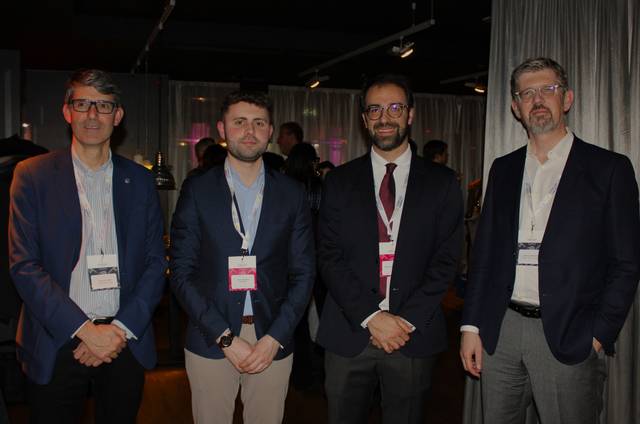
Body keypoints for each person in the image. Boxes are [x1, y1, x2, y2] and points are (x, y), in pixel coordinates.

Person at [460, 57, 640, 423]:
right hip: (501, 330)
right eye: (527, 93)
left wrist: (598, 335)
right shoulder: (503, 168)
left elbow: (627, 262)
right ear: (516, 107)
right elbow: (485, 256)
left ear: (567, 98)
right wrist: (471, 326)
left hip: (570, 333)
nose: (537, 99)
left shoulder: (609, 169)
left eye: (548, 90)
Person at [8, 69, 167, 423]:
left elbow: (156, 263)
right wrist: (85, 331)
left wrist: (117, 331)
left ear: (118, 115)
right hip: (57, 337)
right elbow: (24, 265)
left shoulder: (140, 180)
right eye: (83, 104)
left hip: (123, 339)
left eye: (104, 105)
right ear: (67, 112)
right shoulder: (32, 175)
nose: (93, 115)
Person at [317, 74, 463, 424]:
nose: (385, 117)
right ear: (365, 119)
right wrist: (373, 317)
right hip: (349, 331)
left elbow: (446, 261)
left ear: (410, 115)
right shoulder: (338, 181)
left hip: (412, 334)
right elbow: (329, 255)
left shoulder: (443, 183)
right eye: (375, 109)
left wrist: (404, 320)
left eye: (395, 107)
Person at [170, 90, 315, 423]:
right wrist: (224, 336)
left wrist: (275, 337)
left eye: (258, 123)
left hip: (272, 335)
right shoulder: (198, 189)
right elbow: (181, 271)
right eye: (240, 122)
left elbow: (304, 272)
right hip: (211, 334)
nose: (249, 131)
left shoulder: (292, 193)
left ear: (269, 131)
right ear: (222, 128)